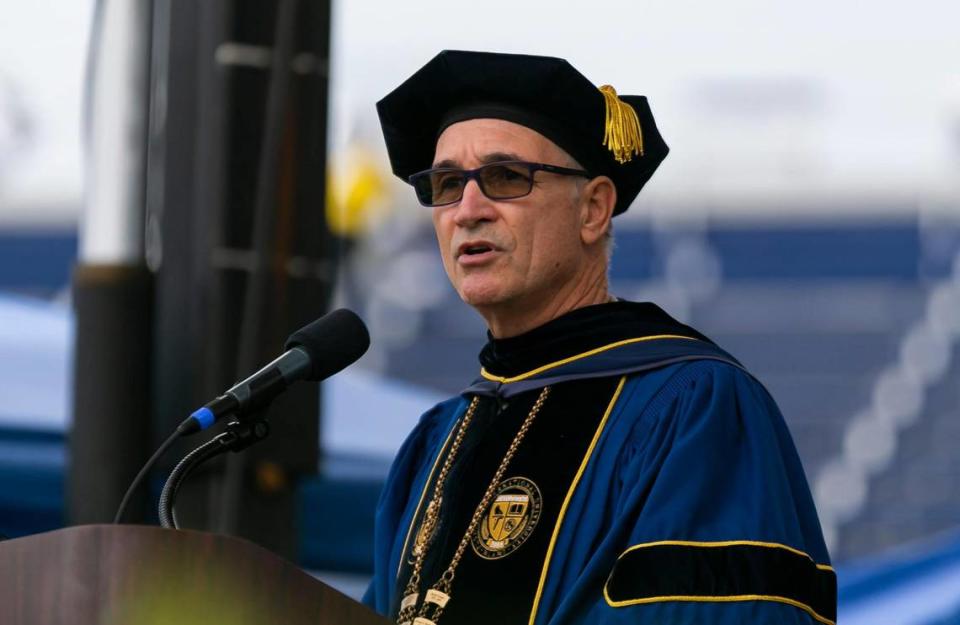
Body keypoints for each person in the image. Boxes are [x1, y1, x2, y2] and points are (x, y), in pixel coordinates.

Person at [363, 50, 836, 625]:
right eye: (445, 183)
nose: (467, 210)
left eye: (505, 177)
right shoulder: (436, 443)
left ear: (593, 209)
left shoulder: (692, 408)